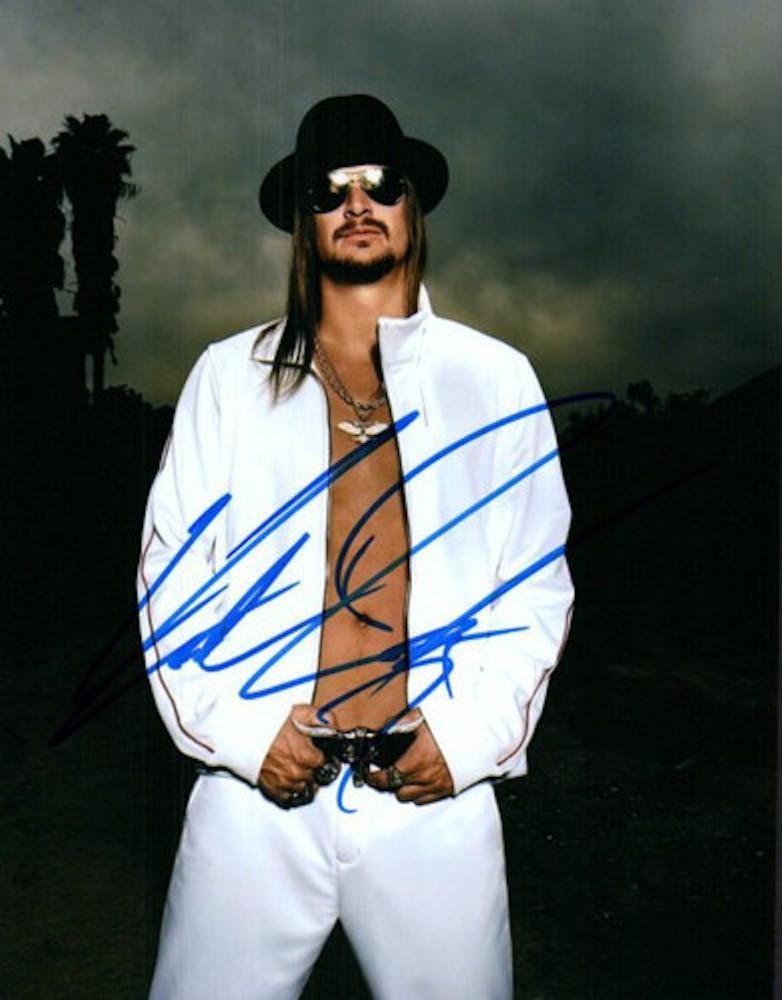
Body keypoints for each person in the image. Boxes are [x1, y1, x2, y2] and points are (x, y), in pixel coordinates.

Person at [137, 94, 574, 1000]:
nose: (358, 203)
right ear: (305, 222)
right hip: (255, 800)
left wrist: (464, 739)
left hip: (431, 801)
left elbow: (535, 588)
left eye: (380, 182)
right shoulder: (228, 378)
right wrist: (245, 735)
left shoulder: (496, 380)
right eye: (329, 190)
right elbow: (169, 582)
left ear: (413, 205)